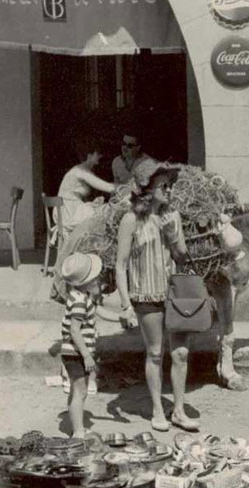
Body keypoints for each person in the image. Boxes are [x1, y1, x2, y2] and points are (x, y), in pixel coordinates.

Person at [115, 160, 200, 433]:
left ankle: (178, 410)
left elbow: (182, 256)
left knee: (181, 354)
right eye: (163, 185)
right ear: (147, 189)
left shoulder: (172, 216)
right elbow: (121, 264)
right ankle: (156, 410)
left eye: (170, 185)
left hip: (173, 294)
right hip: (145, 295)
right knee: (154, 353)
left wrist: (173, 235)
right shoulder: (131, 220)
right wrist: (126, 304)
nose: (169, 190)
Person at [59, 252, 116, 438]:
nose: (98, 281)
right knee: (80, 392)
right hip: (76, 353)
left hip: (75, 353)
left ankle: (76, 426)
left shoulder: (83, 297)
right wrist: (87, 355)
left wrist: (120, 318)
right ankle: (78, 431)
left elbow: (100, 311)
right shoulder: (79, 302)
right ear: (87, 282)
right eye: (95, 278)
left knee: (77, 390)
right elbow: (75, 331)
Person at [57, 138, 117, 239]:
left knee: (102, 210)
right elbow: (107, 187)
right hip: (69, 213)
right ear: (89, 155)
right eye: (98, 154)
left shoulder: (84, 170)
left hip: (70, 210)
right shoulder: (80, 171)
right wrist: (127, 187)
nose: (100, 156)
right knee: (106, 214)